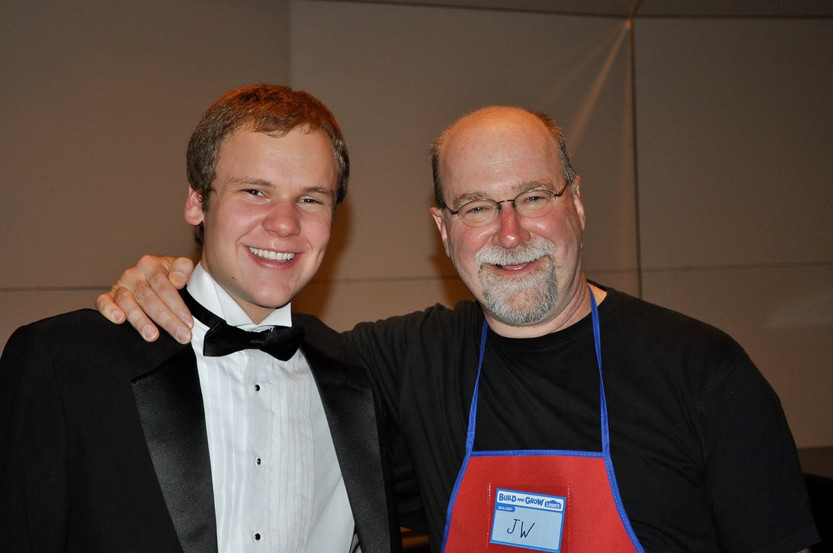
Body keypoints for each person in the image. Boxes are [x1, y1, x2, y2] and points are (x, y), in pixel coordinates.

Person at [96, 106, 819, 552]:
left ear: (576, 204)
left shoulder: (700, 369)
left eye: (532, 196)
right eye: (476, 207)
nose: (509, 232)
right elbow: (258, 335)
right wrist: (178, 278)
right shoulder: (399, 358)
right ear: (443, 230)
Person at [0, 84, 406, 553]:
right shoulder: (65, 364)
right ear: (197, 202)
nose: (284, 223)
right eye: (255, 191)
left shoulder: (360, 376)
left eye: (311, 199)